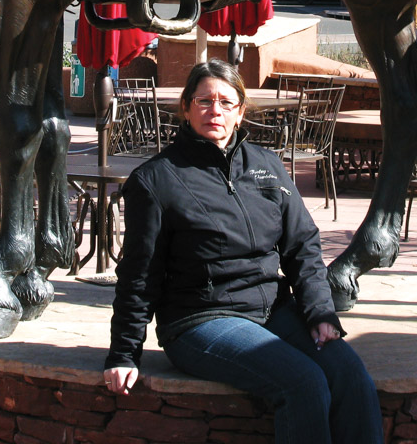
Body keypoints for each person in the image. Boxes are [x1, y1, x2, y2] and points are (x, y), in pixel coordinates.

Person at [102, 59, 382, 443]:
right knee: (303, 383)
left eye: (225, 102)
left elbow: (302, 245)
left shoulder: (266, 166)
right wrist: (124, 352)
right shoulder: (156, 180)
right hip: (201, 319)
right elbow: (139, 274)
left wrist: (320, 312)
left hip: (272, 310)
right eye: (203, 101)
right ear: (185, 107)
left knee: (350, 375)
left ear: (240, 112)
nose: (214, 110)